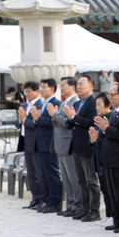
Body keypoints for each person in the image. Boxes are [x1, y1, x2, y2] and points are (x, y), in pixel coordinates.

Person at [93, 83, 119, 232]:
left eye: (112, 95)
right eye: (109, 95)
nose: (110, 98)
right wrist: (105, 130)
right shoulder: (115, 113)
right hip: (110, 157)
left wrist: (106, 128)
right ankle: (118, 219)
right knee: (113, 192)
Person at [63, 75, 101, 223]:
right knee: (81, 181)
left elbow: (91, 122)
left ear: (91, 86)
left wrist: (74, 118)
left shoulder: (93, 102)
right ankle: (85, 209)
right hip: (77, 147)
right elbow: (74, 121)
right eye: (77, 84)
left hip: (87, 146)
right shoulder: (78, 103)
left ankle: (94, 210)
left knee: (91, 181)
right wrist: (70, 119)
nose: (78, 86)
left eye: (81, 84)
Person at [31, 78, 63, 213]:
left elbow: (53, 121)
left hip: (50, 143)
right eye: (41, 87)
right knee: (44, 174)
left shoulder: (56, 103)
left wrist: (38, 119)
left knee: (52, 174)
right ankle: (48, 200)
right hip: (40, 143)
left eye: (44, 87)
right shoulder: (42, 104)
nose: (42, 90)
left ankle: (56, 202)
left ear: (52, 89)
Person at [50, 77, 80, 217]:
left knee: (73, 177)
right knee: (66, 178)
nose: (61, 88)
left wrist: (55, 115)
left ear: (72, 87)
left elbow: (69, 122)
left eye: (63, 86)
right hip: (60, 143)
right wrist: (55, 116)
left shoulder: (76, 102)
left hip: (69, 143)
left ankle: (76, 205)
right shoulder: (63, 103)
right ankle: (69, 205)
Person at [15, 81, 45, 210]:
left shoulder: (40, 104)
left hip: (36, 142)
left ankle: (42, 199)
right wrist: (21, 120)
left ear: (37, 91)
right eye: (25, 91)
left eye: (29, 91)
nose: (26, 94)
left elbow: (35, 123)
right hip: (26, 141)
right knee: (31, 173)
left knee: (39, 172)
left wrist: (24, 119)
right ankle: (35, 198)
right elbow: (18, 122)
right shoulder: (25, 105)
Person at [89, 92, 114, 226]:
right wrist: (93, 140)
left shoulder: (109, 118)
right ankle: (109, 213)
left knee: (110, 189)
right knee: (104, 187)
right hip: (99, 155)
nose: (97, 107)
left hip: (107, 156)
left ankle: (113, 214)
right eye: (96, 104)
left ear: (108, 105)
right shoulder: (100, 118)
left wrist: (96, 140)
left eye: (99, 104)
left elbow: (106, 139)